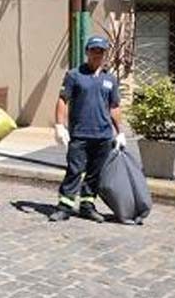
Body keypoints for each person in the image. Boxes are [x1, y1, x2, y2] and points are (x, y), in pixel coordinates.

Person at [49, 35, 125, 222]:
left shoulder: (110, 79)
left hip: (103, 136)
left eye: (100, 51)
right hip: (80, 134)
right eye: (93, 50)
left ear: (105, 54)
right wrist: (60, 126)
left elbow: (114, 106)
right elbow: (63, 100)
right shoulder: (74, 75)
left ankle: (87, 206)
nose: (97, 54)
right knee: (74, 171)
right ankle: (64, 207)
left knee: (94, 174)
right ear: (87, 52)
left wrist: (120, 132)